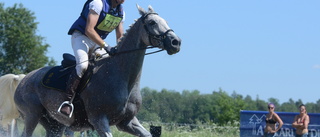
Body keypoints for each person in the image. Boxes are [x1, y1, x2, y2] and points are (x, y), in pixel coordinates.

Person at [58, 0, 126, 118]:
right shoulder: (98, 3)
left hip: (97, 41)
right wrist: (106, 46)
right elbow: (89, 30)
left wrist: (121, 50)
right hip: (81, 37)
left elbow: (120, 36)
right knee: (83, 66)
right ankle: (67, 102)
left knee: (108, 67)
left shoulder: (120, 11)